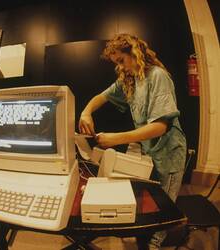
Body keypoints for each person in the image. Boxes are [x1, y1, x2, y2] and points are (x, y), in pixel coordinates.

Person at [78, 33, 186, 250]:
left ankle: (154, 244)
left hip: (169, 153)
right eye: (116, 62)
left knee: (164, 205)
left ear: (134, 52)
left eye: (121, 60)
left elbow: (160, 126)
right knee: (148, 198)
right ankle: (145, 234)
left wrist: (116, 138)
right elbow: (102, 96)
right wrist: (86, 112)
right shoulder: (129, 80)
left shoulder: (158, 76)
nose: (121, 66)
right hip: (148, 151)